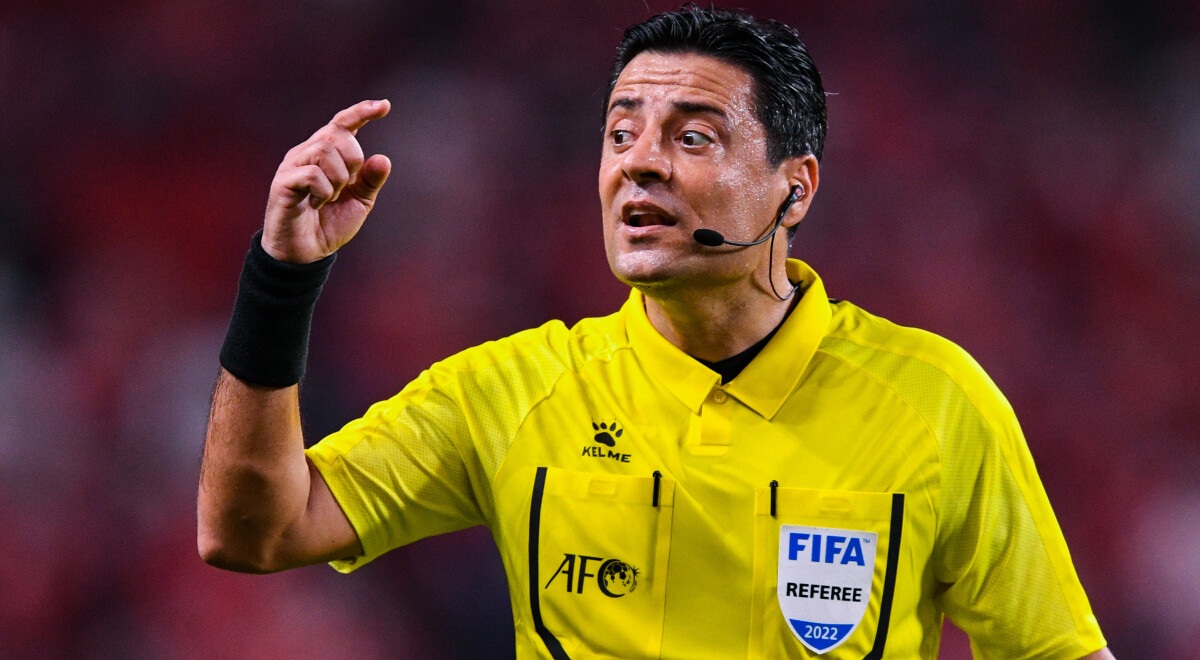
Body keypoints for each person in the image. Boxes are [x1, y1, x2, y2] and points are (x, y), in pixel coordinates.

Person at [199, 7, 1115, 659]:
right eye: (621, 132)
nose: (639, 162)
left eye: (693, 137)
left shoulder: (934, 402)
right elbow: (254, 530)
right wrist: (282, 277)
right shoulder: (513, 392)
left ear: (794, 189)